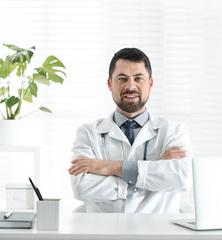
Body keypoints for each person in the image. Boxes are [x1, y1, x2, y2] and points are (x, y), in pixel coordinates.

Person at [68, 48, 193, 213]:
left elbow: (182, 179)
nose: (130, 86)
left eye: (138, 78)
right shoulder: (88, 133)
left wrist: (110, 167)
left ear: (150, 83)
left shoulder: (173, 131)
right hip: (104, 232)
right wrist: (153, 169)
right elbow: (81, 187)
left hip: (158, 232)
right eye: (122, 78)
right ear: (110, 84)